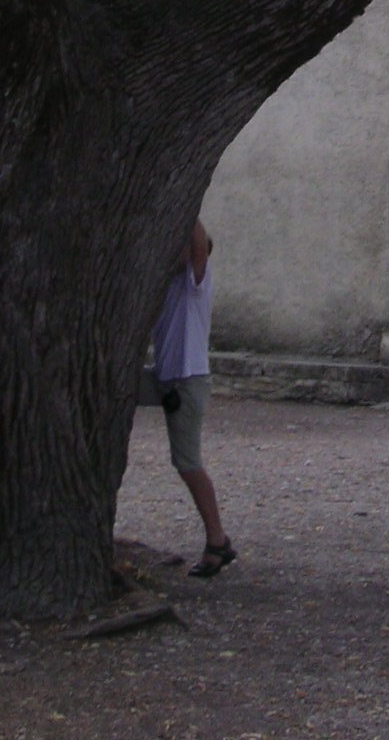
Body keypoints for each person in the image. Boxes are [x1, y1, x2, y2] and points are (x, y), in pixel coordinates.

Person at [152, 219, 236, 577]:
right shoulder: (167, 284)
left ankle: (217, 540)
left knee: (187, 462)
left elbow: (198, 245)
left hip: (187, 379)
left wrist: (188, 211)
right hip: (166, 378)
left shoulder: (195, 282)